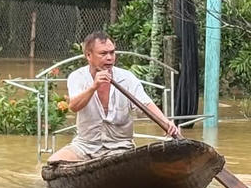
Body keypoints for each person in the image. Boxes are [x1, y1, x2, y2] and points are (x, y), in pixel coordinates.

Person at [47, 31, 182, 163]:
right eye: (103, 53)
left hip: (121, 148)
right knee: (53, 162)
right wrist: (93, 87)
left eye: (112, 52)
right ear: (88, 55)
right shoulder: (77, 77)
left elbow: (146, 104)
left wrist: (166, 123)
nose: (110, 58)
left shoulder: (127, 78)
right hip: (86, 146)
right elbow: (74, 107)